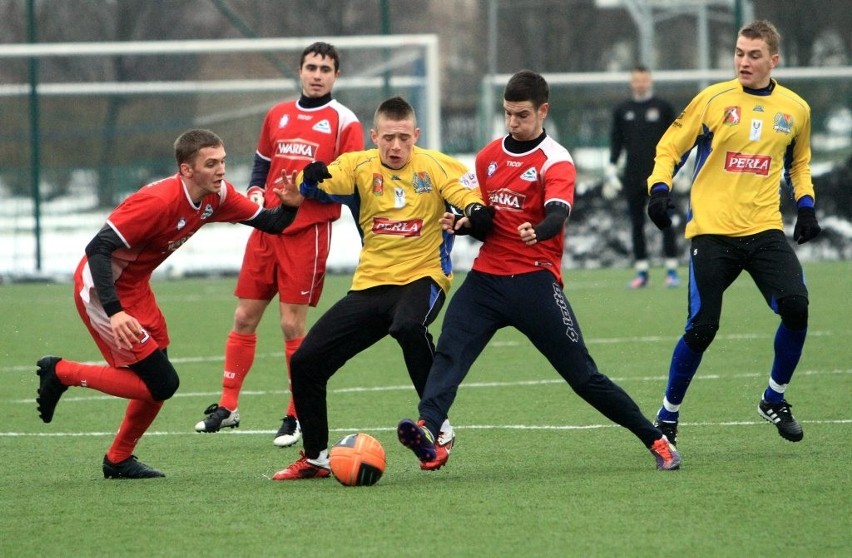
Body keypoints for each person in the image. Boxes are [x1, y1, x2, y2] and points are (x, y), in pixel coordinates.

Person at [396, 70, 681, 473]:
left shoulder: (556, 159)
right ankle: (430, 431)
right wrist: (463, 223)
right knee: (449, 354)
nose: (513, 122)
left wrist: (540, 230)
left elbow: (558, 212)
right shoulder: (488, 157)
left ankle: (656, 439)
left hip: (535, 281)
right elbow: (483, 217)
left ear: (543, 111)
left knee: (584, 378)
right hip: (486, 280)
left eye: (522, 115)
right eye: (508, 114)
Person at [35, 129, 302, 479]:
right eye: (211, 164)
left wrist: (289, 205)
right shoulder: (159, 201)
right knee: (161, 383)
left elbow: (270, 223)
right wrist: (115, 312)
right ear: (186, 170)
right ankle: (60, 372)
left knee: (156, 378)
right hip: (103, 291)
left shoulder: (217, 196)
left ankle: (118, 459)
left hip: (135, 287)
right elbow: (97, 249)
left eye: (222, 161)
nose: (221, 170)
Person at [271, 96, 490, 480]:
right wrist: (308, 177)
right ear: (374, 136)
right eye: (387, 138)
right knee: (306, 362)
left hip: (423, 277)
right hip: (371, 284)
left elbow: (469, 199)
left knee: (408, 326)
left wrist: (472, 213)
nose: (395, 146)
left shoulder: (438, 166)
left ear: (416, 135)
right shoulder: (358, 165)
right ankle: (317, 456)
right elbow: (322, 177)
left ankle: (438, 427)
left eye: (404, 137)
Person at [646, 20, 821, 447]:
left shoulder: (795, 109)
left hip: (763, 230)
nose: (744, 61)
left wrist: (806, 205)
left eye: (754, 54)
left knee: (796, 307)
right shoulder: (713, 100)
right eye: (740, 53)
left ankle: (773, 398)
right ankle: (667, 415)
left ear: (773, 60)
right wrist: (658, 189)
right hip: (711, 232)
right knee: (703, 327)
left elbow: (798, 163)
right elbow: (670, 147)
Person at [193, 41, 364, 448]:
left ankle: (297, 413)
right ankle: (229, 406)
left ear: (336, 75)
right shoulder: (278, 114)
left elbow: (350, 180)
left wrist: (305, 196)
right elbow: (262, 163)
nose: (317, 73)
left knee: (291, 324)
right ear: (300, 71)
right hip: (267, 227)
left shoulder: (345, 122)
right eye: (311, 66)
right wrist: (255, 190)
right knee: (244, 317)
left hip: (308, 232)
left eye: (325, 68)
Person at [604, 65, 679, 288]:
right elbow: (616, 142)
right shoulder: (622, 110)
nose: (640, 84)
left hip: (660, 175)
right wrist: (611, 168)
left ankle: (672, 271)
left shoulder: (663, 107)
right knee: (637, 224)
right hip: (632, 176)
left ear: (650, 81)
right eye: (636, 80)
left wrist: (680, 168)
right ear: (631, 82)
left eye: (643, 80)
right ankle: (642, 272)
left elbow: (676, 139)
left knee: (665, 220)